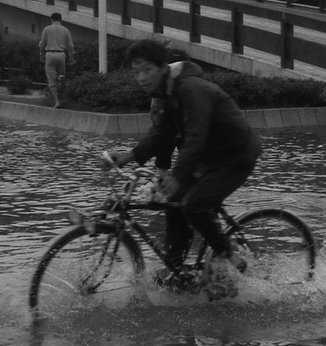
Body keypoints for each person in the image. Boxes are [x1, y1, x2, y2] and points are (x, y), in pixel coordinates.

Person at [106, 39, 262, 296]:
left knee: (194, 206)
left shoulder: (190, 89)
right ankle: (176, 269)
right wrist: (129, 156)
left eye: (147, 70)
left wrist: (178, 175)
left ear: (162, 67)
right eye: (136, 72)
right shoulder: (167, 94)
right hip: (209, 157)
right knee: (175, 202)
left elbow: (195, 136)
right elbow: (162, 135)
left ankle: (229, 256)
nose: (141, 78)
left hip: (235, 156)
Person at [38, 12, 74, 108]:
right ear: (61, 19)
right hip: (61, 54)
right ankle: (61, 79)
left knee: (51, 79)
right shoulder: (65, 30)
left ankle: (57, 101)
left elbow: (42, 44)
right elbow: (70, 46)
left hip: (50, 54)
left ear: (51, 19)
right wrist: (71, 57)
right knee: (62, 74)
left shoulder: (47, 29)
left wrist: (41, 54)